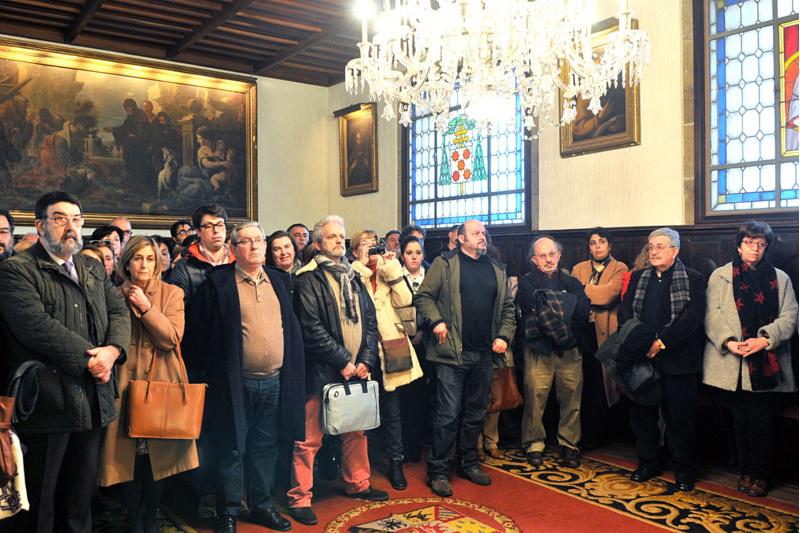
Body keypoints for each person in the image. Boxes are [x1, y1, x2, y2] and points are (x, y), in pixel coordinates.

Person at [0, 191, 130, 532]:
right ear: (40, 225)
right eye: (59, 219)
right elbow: (36, 326)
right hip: (48, 404)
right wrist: (92, 361)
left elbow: (118, 311)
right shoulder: (17, 270)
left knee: (79, 501)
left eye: (75, 219)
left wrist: (113, 351)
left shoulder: (91, 267)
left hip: (94, 400)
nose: (70, 226)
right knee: (40, 503)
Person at [188, 221, 306, 533]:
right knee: (231, 447)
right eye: (246, 241)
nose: (254, 246)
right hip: (233, 384)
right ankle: (228, 510)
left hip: (274, 381)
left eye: (259, 241)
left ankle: (262, 505)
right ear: (233, 248)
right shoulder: (217, 284)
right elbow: (197, 336)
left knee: (265, 446)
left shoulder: (280, 281)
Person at [289, 215, 388, 526]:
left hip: (356, 369)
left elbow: (370, 322)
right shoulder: (308, 279)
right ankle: (300, 497)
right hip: (322, 371)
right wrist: (343, 361)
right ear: (318, 243)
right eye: (331, 236)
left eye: (340, 236)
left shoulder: (353, 276)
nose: (337, 241)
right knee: (308, 439)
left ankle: (358, 484)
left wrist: (366, 360)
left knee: (356, 432)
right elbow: (311, 327)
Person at [97, 236, 197, 533]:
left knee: (157, 458)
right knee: (126, 457)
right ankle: (135, 518)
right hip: (123, 382)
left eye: (150, 258)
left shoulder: (172, 293)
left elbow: (171, 338)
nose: (144, 264)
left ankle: (151, 516)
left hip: (161, 380)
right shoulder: (111, 295)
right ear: (126, 263)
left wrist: (146, 306)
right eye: (138, 258)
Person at [414, 219, 516, 497]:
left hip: (484, 354)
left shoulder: (496, 268)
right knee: (447, 415)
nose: (483, 236)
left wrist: (504, 336)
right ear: (460, 238)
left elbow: (508, 308)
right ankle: (438, 471)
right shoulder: (444, 264)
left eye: (484, 233)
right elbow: (423, 297)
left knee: (475, 414)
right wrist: (436, 321)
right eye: (476, 233)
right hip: (451, 354)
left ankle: (468, 463)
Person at [702, 221, 798, 497]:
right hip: (733, 361)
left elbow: (791, 316)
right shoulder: (721, 276)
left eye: (760, 244)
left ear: (766, 247)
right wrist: (728, 341)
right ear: (739, 245)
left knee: (763, 423)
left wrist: (765, 339)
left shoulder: (780, 278)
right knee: (740, 421)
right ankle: (745, 472)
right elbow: (711, 313)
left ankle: (760, 475)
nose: (755, 248)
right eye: (749, 243)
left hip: (767, 361)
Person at [618, 227, 706, 491]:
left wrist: (661, 342)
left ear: (674, 251)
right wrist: (644, 343)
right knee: (642, 417)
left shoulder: (693, 278)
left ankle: (683, 470)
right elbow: (625, 313)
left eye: (660, 247)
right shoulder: (638, 277)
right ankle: (648, 462)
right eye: (651, 247)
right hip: (642, 358)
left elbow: (692, 317)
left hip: (679, 362)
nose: (653, 252)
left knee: (680, 420)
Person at [351, 230, 423, 490]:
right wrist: (361, 267)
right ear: (355, 250)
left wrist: (391, 269)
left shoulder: (389, 270)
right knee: (361, 413)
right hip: (361, 352)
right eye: (365, 245)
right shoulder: (350, 274)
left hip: (390, 348)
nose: (371, 250)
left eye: (374, 245)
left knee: (392, 412)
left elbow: (406, 301)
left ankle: (396, 463)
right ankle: (359, 468)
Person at [517, 235, 590, 468]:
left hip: (570, 348)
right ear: (534, 260)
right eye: (542, 255)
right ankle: (534, 444)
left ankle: (569, 444)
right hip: (539, 349)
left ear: (559, 255)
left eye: (552, 254)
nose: (548, 259)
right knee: (534, 398)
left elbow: (582, 310)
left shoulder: (572, 282)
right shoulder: (526, 283)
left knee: (572, 398)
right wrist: (566, 305)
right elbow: (537, 310)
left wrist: (556, 310)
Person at [571, 228, 629, 449]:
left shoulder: (619, 267)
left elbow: (608, 296)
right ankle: (581, 435)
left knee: (601, 386)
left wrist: (583, 289)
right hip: (582, 332)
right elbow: (573, 299)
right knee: (582, 385)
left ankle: (598, 436)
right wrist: (592, 291)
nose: (597, 246)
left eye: (602, 242)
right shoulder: (579, 268)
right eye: (593, 243)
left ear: (609, 245)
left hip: (605, 334)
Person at [169, 204, 235, 309]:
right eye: (208, 226)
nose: (216, 230)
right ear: (198, 231)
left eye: (220, 225)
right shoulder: (184, 265)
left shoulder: (238, 260)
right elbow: (179, 307)